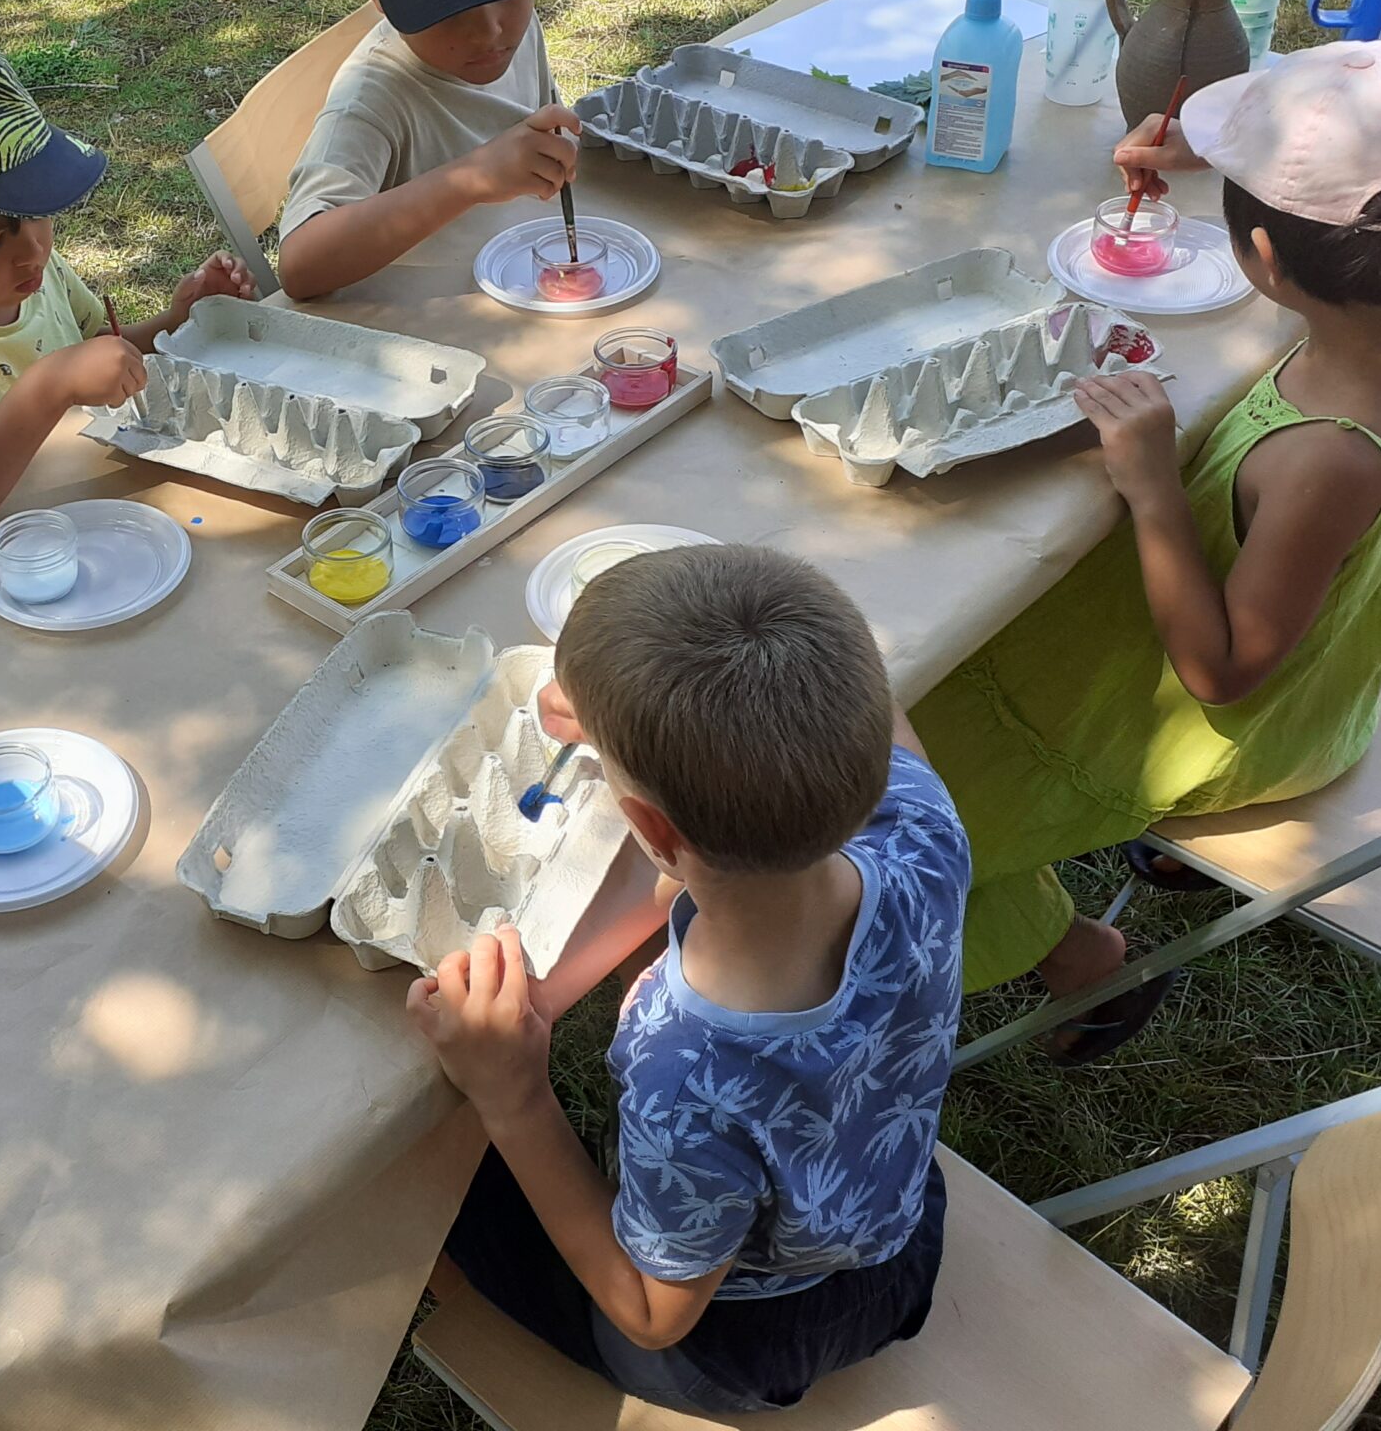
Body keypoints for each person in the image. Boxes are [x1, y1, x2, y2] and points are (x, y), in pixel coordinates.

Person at [911, 40, 1381, 1063]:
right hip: (1301, 650)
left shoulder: (1326, 457)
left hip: (1233, 725)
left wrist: (1154, 486)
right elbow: (1373, 206)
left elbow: (1220, 673)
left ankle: (1081, 958)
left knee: (891, 799)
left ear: (1260, 260)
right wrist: (1222, 167)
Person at [410, 545, 967, 1413]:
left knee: (449, 1177)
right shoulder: (924, 829)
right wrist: (648, 700)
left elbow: (651, 1315)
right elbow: (876, 710)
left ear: (648, 827)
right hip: (898, 1234)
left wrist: (515, 1095)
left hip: (739, 1344)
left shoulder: (686, 1066)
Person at [0, 29, 255, 547]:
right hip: (12, 561)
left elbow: (99, 354)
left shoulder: (31, 270)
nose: (33, 251)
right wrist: (45, 389)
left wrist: (180, 320)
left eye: (38, 218)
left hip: (99, 520)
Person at [274, 0, 585, 299]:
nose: (489, 30)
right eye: (450, 7)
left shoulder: (519, 32)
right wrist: (470, 180)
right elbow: (300, 265)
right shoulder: (372, 98)